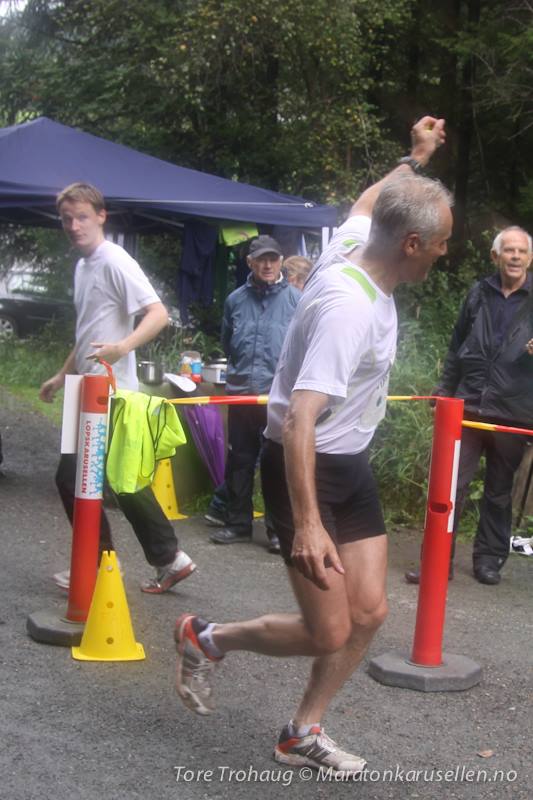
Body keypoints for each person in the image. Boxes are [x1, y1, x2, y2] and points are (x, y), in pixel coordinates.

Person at [174, 117, 451, 775]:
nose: (444, 253)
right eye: (441, 244)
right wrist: (306, 524)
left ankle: (301, 731)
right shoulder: (347, 310)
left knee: (369, 611)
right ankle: (206, 638)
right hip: (303, 464)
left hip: (346, 463)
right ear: (411, 243)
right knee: (328, 628)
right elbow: (300, 421)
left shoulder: (357, 243)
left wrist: (414, 157)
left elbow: (368, 200)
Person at [39, 182, 196, 594]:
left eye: (82, 217)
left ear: (101, 216)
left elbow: (158, 313)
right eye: (67, 219)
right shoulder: (83, 266)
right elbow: (87, 334)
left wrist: (123, 347)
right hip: (84, 388)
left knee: (75, 478)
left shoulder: (114, 260)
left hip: (109, 392)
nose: (74, 226)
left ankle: (100, 564)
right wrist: (61, 375)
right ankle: (169, 558)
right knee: (117, 478)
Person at [406, 226, 533, 587]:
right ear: (495, 256)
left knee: (498, 491)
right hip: (467, 406)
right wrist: (445, 391)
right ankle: (436, 561)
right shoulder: (478, 292)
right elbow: (455, 347)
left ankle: (489, 560)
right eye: (508, 250)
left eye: (521, 251)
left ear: (530, 258)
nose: (515, 256)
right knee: (450, 486)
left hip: (513, 411)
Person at [208, 234, 301, 552]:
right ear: (250, 263)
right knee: (239, 460)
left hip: (277, 397)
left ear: (281, 262)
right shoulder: (235, 300)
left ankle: (278, 531)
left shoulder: (296, 301)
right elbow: (228, 343)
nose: (268, 265)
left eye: (273, 259)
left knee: (277, 463)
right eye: (261, 259)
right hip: (241, 394)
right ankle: (237, 524)